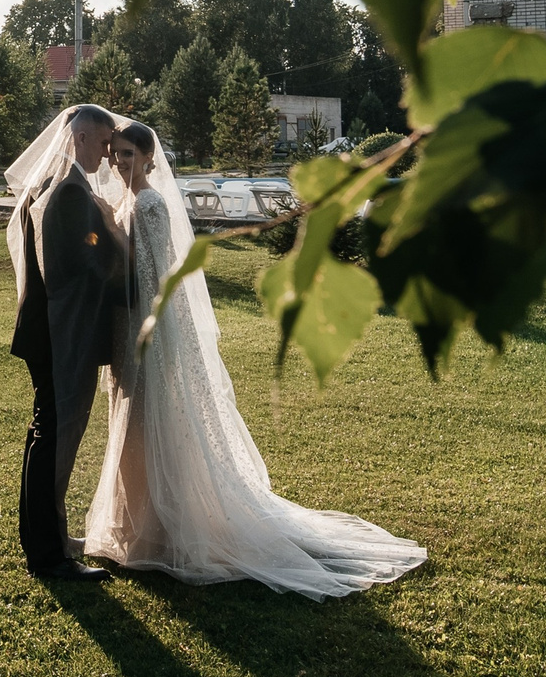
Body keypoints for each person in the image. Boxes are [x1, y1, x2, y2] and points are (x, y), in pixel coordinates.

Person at [82, 118, 427, 597]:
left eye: (127, 154)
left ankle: (158, 533)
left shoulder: (152, 205)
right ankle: (135, 527)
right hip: (127, 332)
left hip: (150, 332)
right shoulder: (126, 201)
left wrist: (107, 232)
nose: (120, 163)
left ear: (149, 158)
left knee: (151, 427)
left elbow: (151, 278)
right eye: (116, 153)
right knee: (132, 430)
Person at [6, 103, 126, 582]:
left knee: (47, 436)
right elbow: (85, 269)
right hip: (62, 335)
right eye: (101, 142)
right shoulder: (71, 194)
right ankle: (49, 556)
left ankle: (49, 535)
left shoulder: (58, 186)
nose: (106, 153)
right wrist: (121, 242)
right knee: (54, 440)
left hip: (48, 331)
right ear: (78, 138)